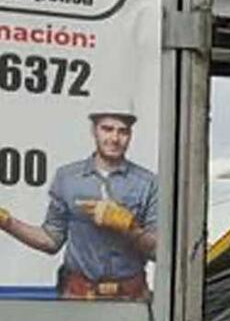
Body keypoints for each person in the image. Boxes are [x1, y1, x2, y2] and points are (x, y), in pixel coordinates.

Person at [0, 112, 157, 300]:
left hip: (131, 297)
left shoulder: (148, 183)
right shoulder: (67, 178)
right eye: (107, 129)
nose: (114, 138)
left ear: (130, 135)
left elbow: (158, 251)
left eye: (123, 132)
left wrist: (129, 227)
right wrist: (8, 223)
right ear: (94, 131)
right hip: (77, 295)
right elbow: (51, 240)